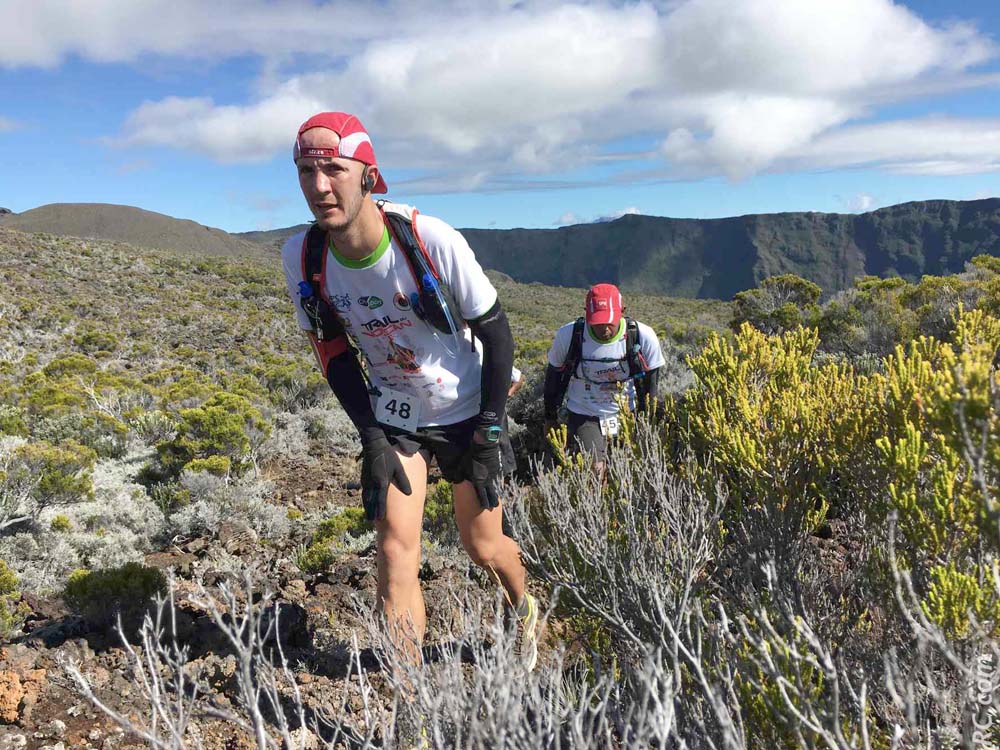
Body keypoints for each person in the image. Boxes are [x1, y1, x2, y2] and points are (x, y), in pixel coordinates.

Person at [280, 112, 537, 670]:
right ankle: (410, 695)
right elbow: (333, 352)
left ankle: (526, 609)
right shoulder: (302, 257)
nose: (319, 186)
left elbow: (497, 334)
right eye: (305, 171)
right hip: (397, 416)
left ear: (368, 176)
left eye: (334, 169)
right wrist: (371, 436)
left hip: (467, 409)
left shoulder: (428, 239)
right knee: (394, 550)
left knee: (483, 545)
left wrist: (490, 429)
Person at [543, 283, 665, 473]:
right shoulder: (569, 335)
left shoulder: (642, 336)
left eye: (609, 321)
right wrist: (550, 417)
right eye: (597, 321)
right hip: (585, 411)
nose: (604, 328)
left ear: (622, 311)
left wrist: (646, 421)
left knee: (626, 467)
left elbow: (652, 384)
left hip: (626, 412)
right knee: (596, 469)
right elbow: (553, 377)